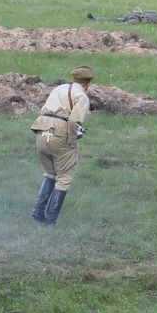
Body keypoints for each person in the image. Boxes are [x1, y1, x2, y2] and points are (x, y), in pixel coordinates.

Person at [30, 65, 95, 226]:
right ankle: (51, 221)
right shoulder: (82, 96)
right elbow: (73, 121)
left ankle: (38, 211)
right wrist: (72, 140)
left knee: (50, 172)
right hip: (61, 133)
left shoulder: (59, 88)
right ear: (88, 83)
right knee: (64, 178)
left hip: (41, 131)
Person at [86, 8, 157, 24]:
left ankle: (96, 18)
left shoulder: (154, 12)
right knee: (119, 24)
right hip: (137, 19)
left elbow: (144, 11)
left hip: (134, 14)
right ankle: (97, 20)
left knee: (115, 19)